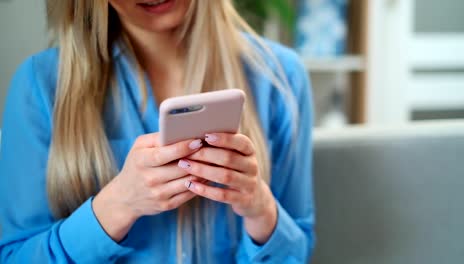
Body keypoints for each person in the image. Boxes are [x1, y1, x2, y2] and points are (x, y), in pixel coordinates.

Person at [0, 0, 315, 263]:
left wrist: (259, 208)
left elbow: (297, 252)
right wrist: (118, 205)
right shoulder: (42, 86)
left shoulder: (280, 78)